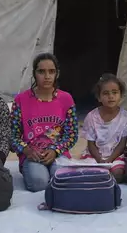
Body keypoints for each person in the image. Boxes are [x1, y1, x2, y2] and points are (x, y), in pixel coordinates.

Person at [10, 53, 78, 192]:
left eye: (51, 71)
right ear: (34, 74)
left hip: (58, 155)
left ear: (57, 74)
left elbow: (72, 134)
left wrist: (55, 150)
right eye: (41, 71)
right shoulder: (21, 100)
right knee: (38, 183)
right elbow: (12, 134)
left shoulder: (66, 99)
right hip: (32, 156)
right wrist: (26, 150)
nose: (47, 76)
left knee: (63, 180)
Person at [79, 74, 127, 183]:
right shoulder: (92, 117)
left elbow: (122, 144)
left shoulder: (126, 117)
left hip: (116, 155)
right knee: (88, 172)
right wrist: (99, 160)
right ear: (99, 97)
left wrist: (109, 160)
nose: (111, 96)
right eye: (106, 93)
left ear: (120, 95)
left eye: (115, 92)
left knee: (118, 175)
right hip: (94, 155)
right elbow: (91, 144)